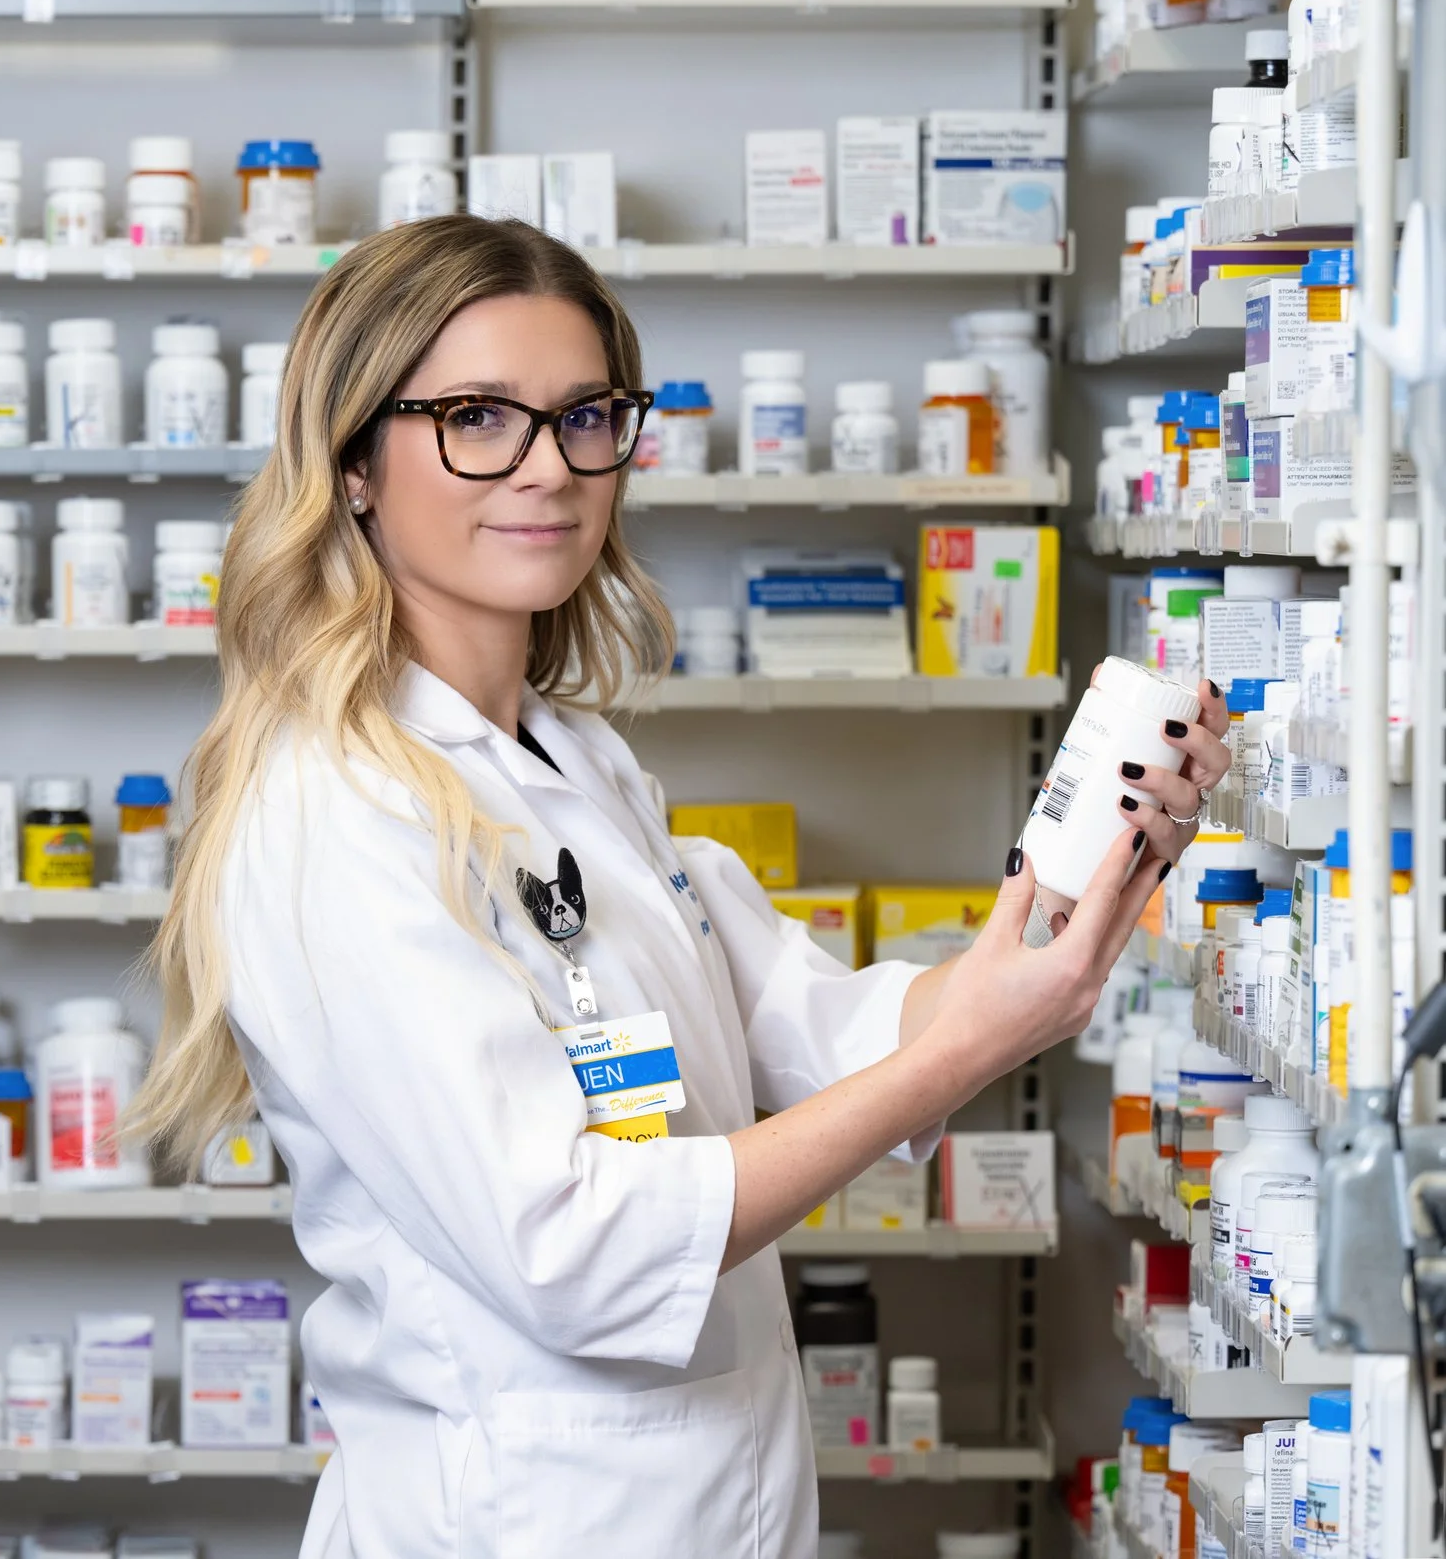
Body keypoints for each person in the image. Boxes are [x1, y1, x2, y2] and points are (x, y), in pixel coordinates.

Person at [127, 215, 1230, 1558]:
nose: (548, 466)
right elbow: (574, 1245)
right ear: (356, 461)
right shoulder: (331, 814)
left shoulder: (580, 761)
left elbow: (830, 1033)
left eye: (585, 414)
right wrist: (968, 1052)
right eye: (479, 416)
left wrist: (1082, 880)